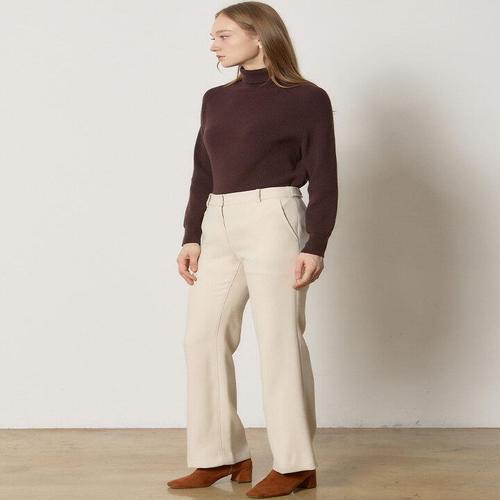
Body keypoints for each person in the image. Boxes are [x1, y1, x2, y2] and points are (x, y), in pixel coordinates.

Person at [168, 2, 338, 497]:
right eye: (213, 36)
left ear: (258, 36)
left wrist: (316, 243)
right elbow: (203, 170)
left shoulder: (307, 98)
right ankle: (220, 454)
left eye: (223, 35)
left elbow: (325, 175)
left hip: (274, 217)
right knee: (202, 337)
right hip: (218, 219)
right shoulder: (215, 99)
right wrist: (191, 234)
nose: (213, 45)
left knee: (280, 339)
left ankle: (295, 463)